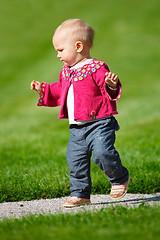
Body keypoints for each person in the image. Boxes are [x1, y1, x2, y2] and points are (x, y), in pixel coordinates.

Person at [31, 18, 130, 208]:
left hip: (99, 123)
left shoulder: (96, 68)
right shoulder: (66, 72)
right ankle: (80, 194)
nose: (58, 55)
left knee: (102, 153)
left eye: (60, 50)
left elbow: (108, 91)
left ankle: (119, 177)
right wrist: (43, 89)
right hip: (77, 128)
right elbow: (60, 90)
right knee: (75, 161)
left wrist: (112, 86)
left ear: (78, 46)